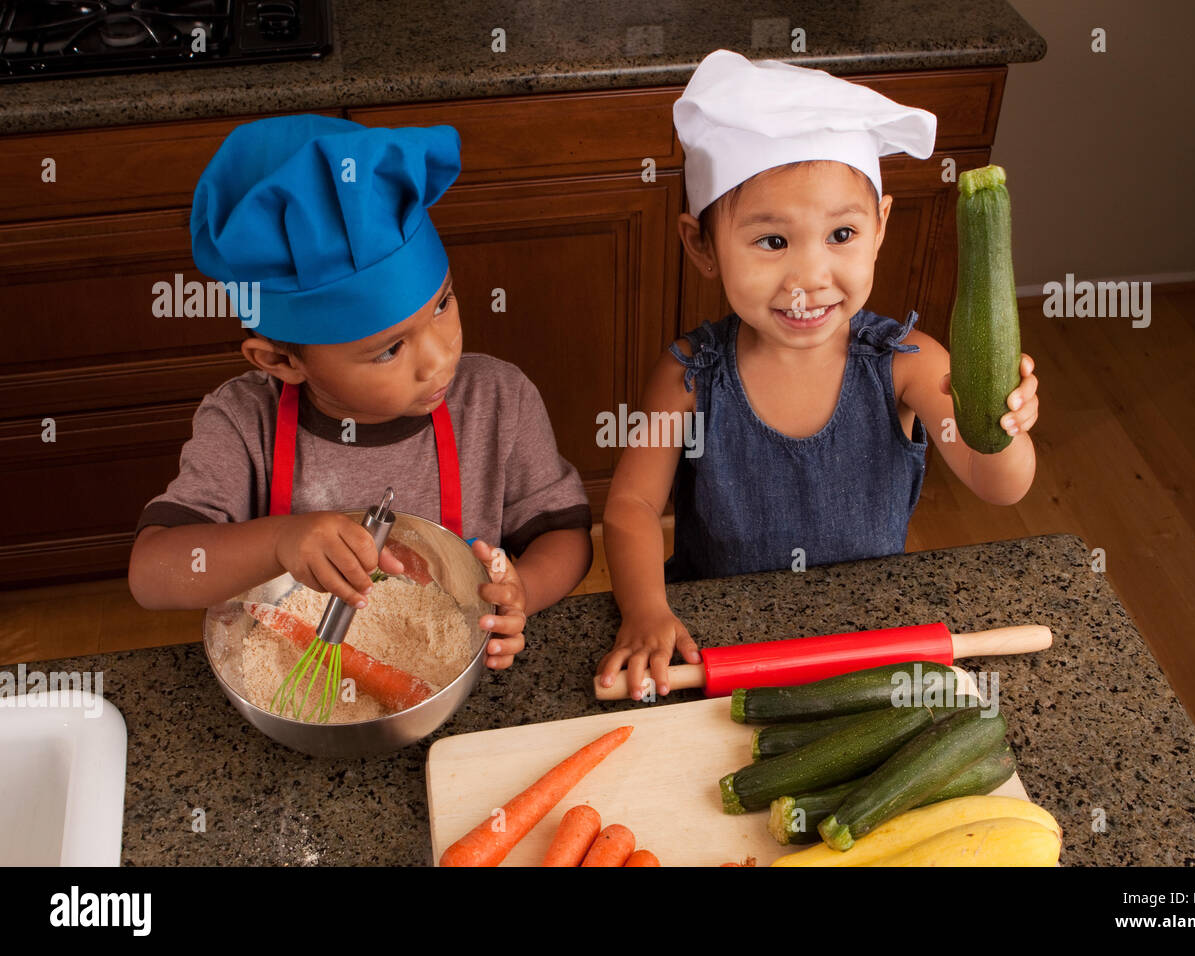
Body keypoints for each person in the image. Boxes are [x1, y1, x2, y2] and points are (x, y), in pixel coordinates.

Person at [597, 51, 1039, 698]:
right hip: (719, 643)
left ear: (881, 227)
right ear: (702, 245)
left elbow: (1000, 485)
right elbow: (631, 506)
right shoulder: (689, 374)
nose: (810, 278)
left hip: (864, 644)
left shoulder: (910, 365)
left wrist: (1004, 423)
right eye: (772, 242)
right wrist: (645, 610)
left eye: (841, 234)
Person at [129, 114, 593, 671]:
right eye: (389, 350)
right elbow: (152, 573)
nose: (440, 358)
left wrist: (524, 590)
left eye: (442, 305)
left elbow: (566, 534)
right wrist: (281, 542)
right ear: (282, 361)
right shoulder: (242, 422)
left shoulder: (498, 400)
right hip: (288, 683)